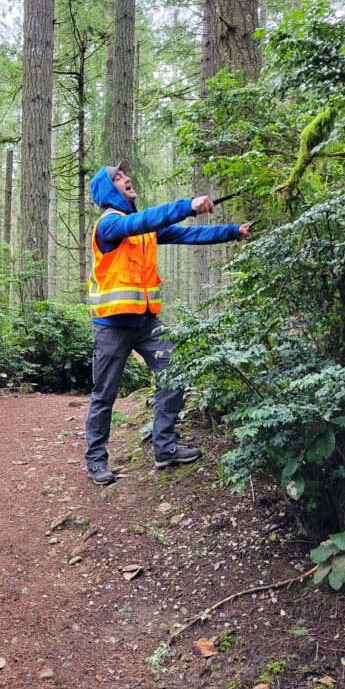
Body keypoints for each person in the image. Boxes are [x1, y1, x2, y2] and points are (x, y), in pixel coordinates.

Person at [85, 160, 252, 485]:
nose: (127, 178)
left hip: (146, 322)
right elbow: (146, 219)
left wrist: (233, 231)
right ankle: (95, 461)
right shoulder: (108, 225)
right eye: (118, 177)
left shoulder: (143, 227)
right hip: (111, 327)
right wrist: (186, 205)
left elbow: (188, 234)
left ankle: (165, 447)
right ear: (108, 190)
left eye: (125, 174)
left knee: (174, 373)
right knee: (104, 393)